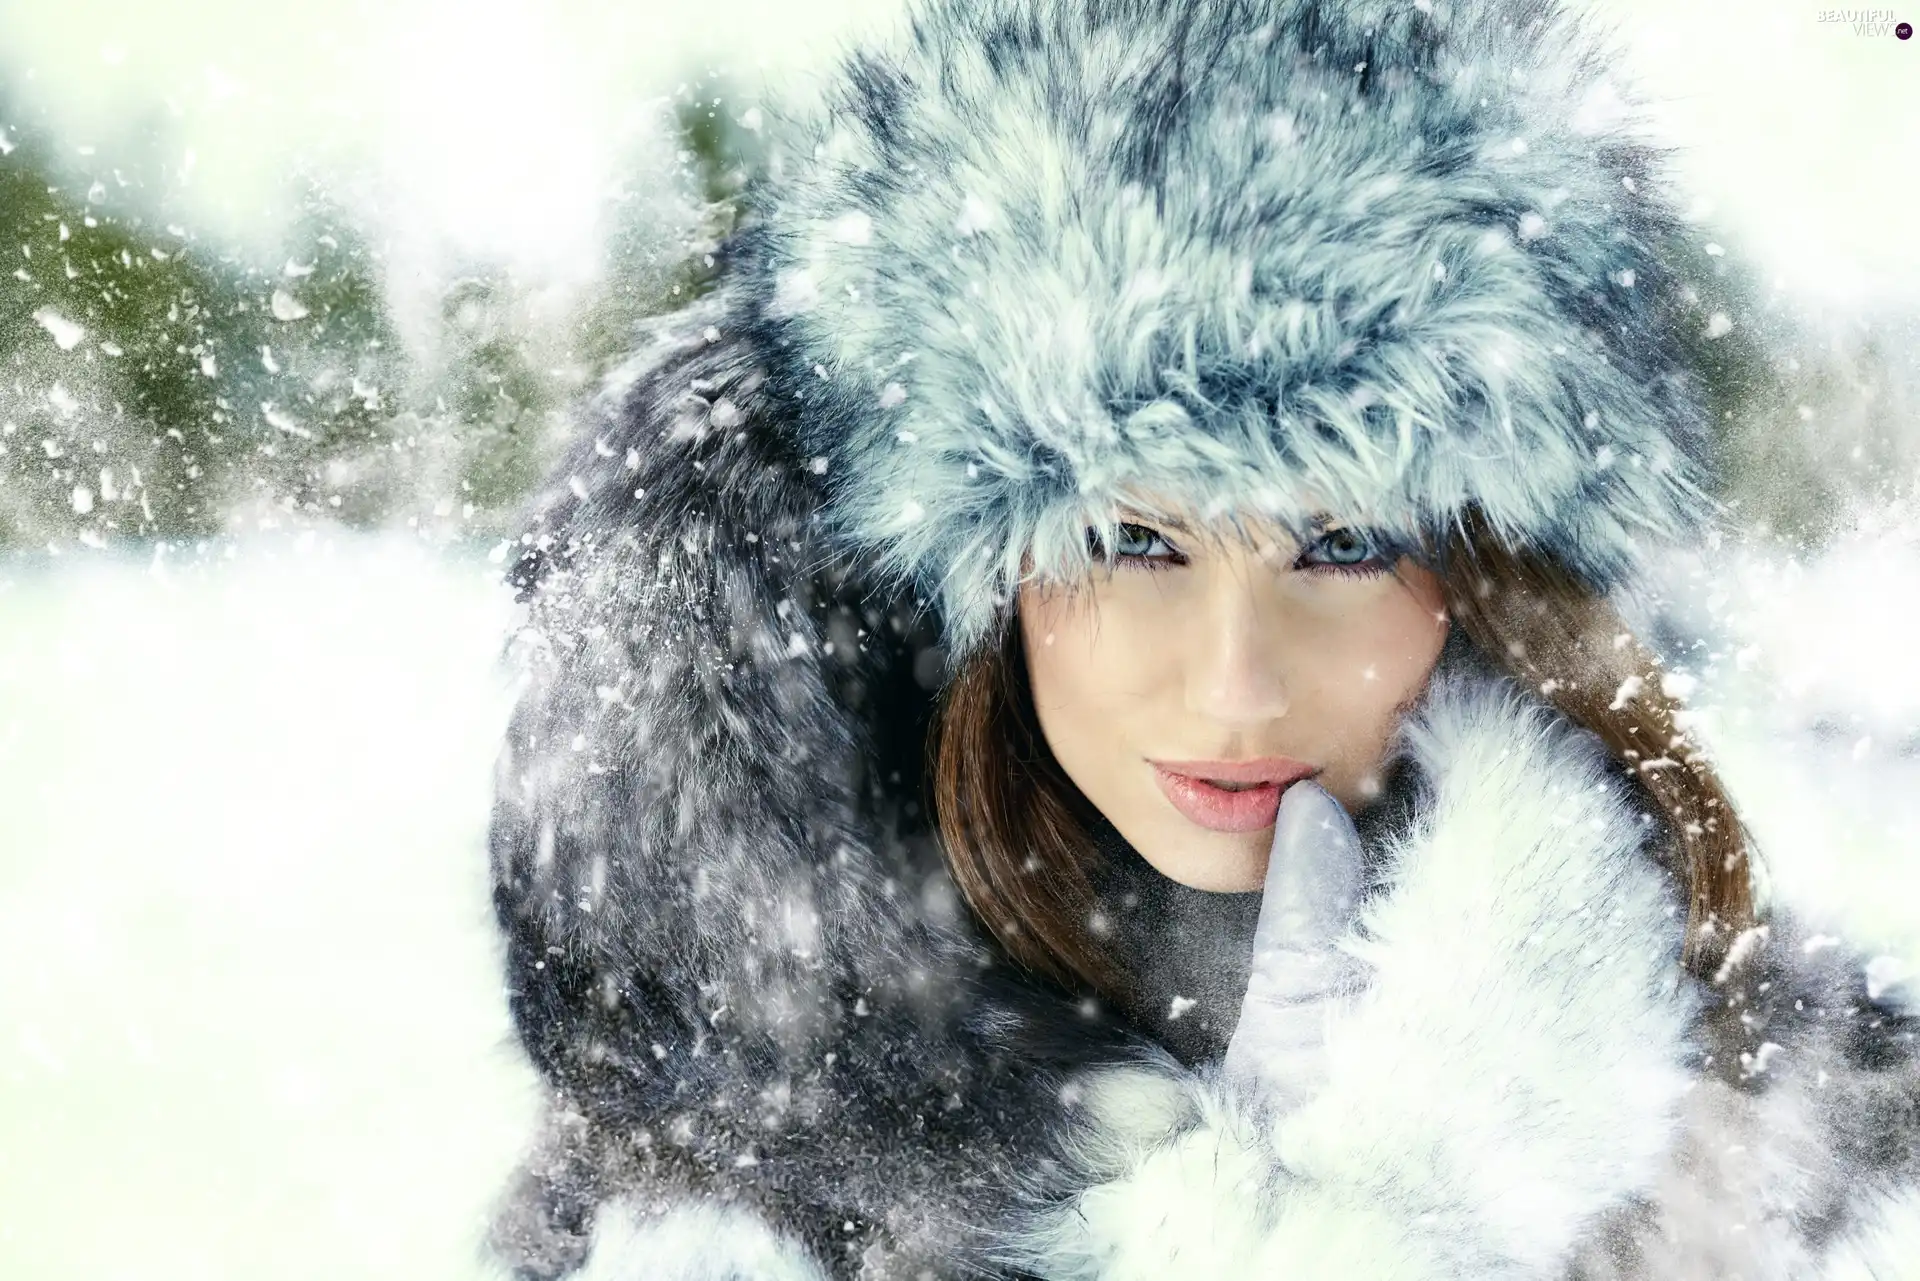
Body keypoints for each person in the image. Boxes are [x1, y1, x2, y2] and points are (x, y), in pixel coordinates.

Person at [483, 0, 1920, 1277]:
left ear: (1484, 585)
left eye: (1345, 544)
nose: (1236, 683)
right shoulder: (727, 1181)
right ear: (982, 589)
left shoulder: (1776, 1144)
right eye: (1132, 544)